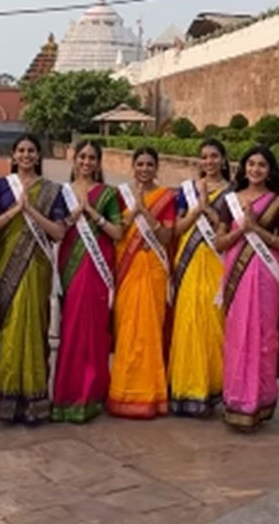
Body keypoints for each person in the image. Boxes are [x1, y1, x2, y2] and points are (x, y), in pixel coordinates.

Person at [0, 134, 68, 424]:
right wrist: (14, 212)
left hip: (37, 268)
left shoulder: (51, 190)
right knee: (11, 333)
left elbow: (58, 233)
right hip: (7, 268)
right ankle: (9, 401)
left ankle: (35, 400)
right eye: (21, 150)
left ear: (38, 156)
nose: (26, 155)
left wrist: (31, 211)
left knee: (35, 329)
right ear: (13, 155)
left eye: (31, 150)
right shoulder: (0, 187)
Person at [217, 146, 279, 431]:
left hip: (266, 278)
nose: (256, 169)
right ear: (243, 168)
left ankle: (260, 402)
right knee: (237, 336)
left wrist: (257, 230)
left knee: (263, 337)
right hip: (236, 278)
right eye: (251, 164)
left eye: (262, 165)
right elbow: (219, 243)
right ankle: (236, 400)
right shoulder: (229, 201)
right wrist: (242, 229)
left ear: (270, 170)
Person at [51, 140, 124, 423]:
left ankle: (91, 395)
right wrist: (73, 216)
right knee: (70, 330)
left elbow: (117, 233)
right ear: (74, 159)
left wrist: (92, 214)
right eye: (82, 156)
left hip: (96, 267)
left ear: (98, 162)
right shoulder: (62, 193)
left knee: (93, 330)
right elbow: (57, 230)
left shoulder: (108, 194)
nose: (86, 162)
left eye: (92, 158)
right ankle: (66, 396)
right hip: (69, 264)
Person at [108, 147, 176, 419]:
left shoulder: (166, 198)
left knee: (151, 332)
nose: (145, 169)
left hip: (154, 269)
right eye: (140, 164)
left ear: (157, 168)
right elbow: (117, 232)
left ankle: (152, 394)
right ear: (133, 166)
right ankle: (123, 391)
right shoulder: (119, 195)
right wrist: (132, 209)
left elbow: (166, 237)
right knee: (127, 330)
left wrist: (146, 213)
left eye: (150, 164)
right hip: (127, 269)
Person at [166, 139, 231, 416]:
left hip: (217, 262)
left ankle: (211, 388)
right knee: (188, 321)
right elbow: (177, 229)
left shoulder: (233, 193)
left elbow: (228, 231)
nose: (209, 162)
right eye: (204, 157)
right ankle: (186, 388)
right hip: (190, 260)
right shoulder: (187, 191)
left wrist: (211, 211)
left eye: (214, 156)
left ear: (224, 160)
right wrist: (197, 209)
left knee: (214, 325)